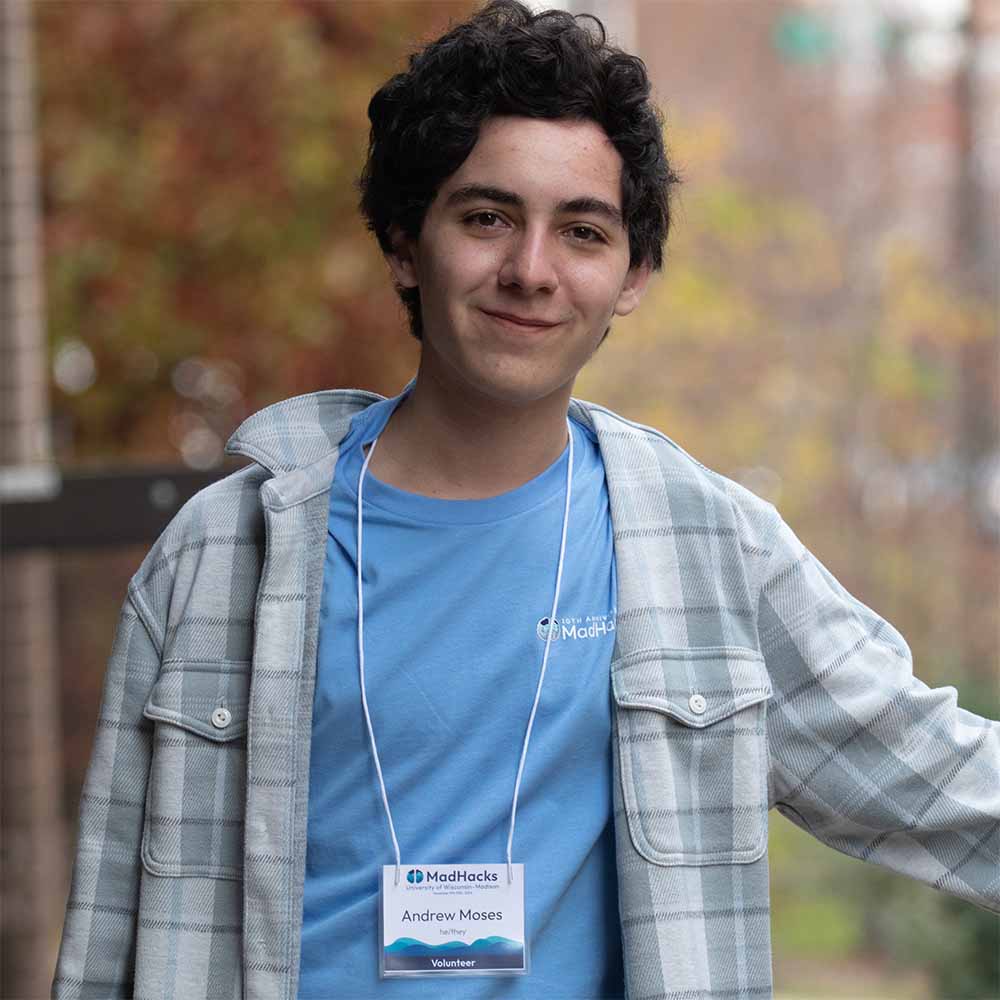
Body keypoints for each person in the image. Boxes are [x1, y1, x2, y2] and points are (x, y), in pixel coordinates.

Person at [52, 3, 998, 998]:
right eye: (487, 217)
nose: (531, 271)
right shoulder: (219, 557)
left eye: (581, 231)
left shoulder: (705, 547)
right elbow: (108, 936)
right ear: (405, 245)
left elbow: (929, 774)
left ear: (630, 275)